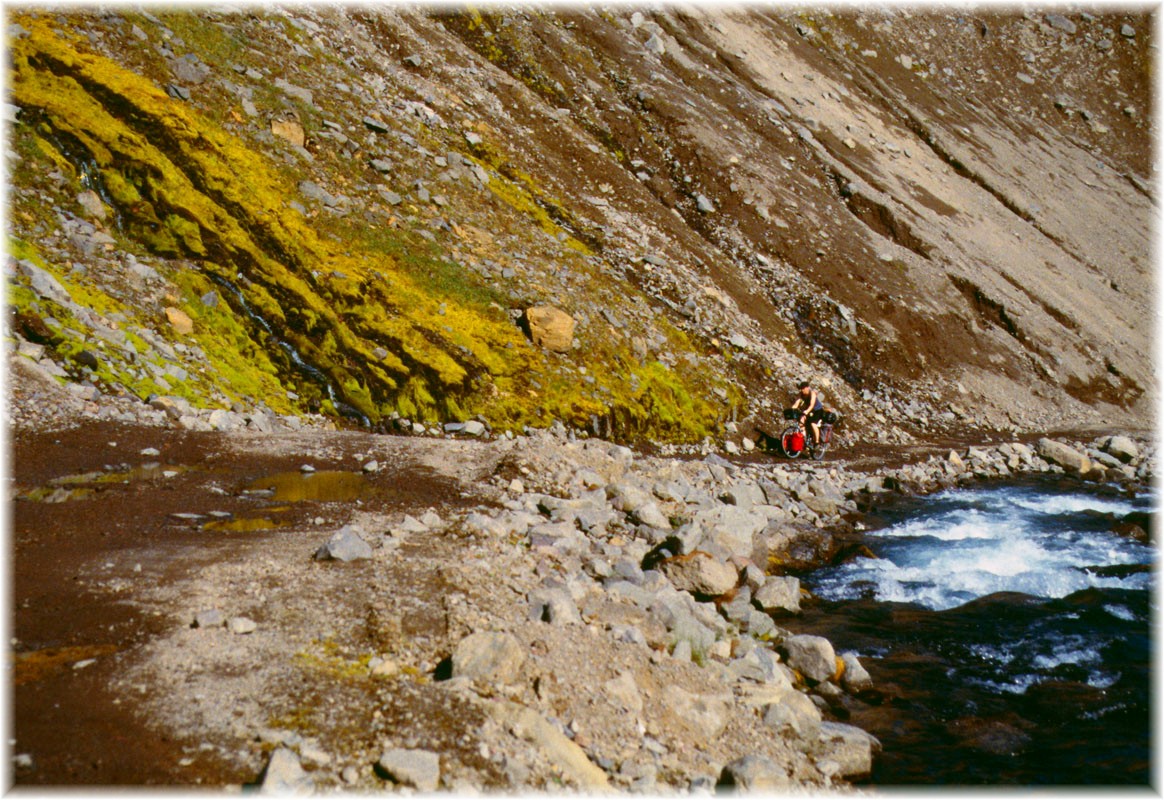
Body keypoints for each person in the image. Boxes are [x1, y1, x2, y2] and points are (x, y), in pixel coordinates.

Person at [790, 380, 825, 446]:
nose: (802, 390)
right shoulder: (801, 394)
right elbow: (796, 404)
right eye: (801, 388)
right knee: (801, 422)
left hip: (817, 410)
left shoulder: (812, 393)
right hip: (809, 411)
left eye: (803, 388)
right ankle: (804, 439)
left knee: (813, 423)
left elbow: (812, 405)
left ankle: (817, 442)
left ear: (807, 388)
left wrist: (806, 411)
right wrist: (791, 410)